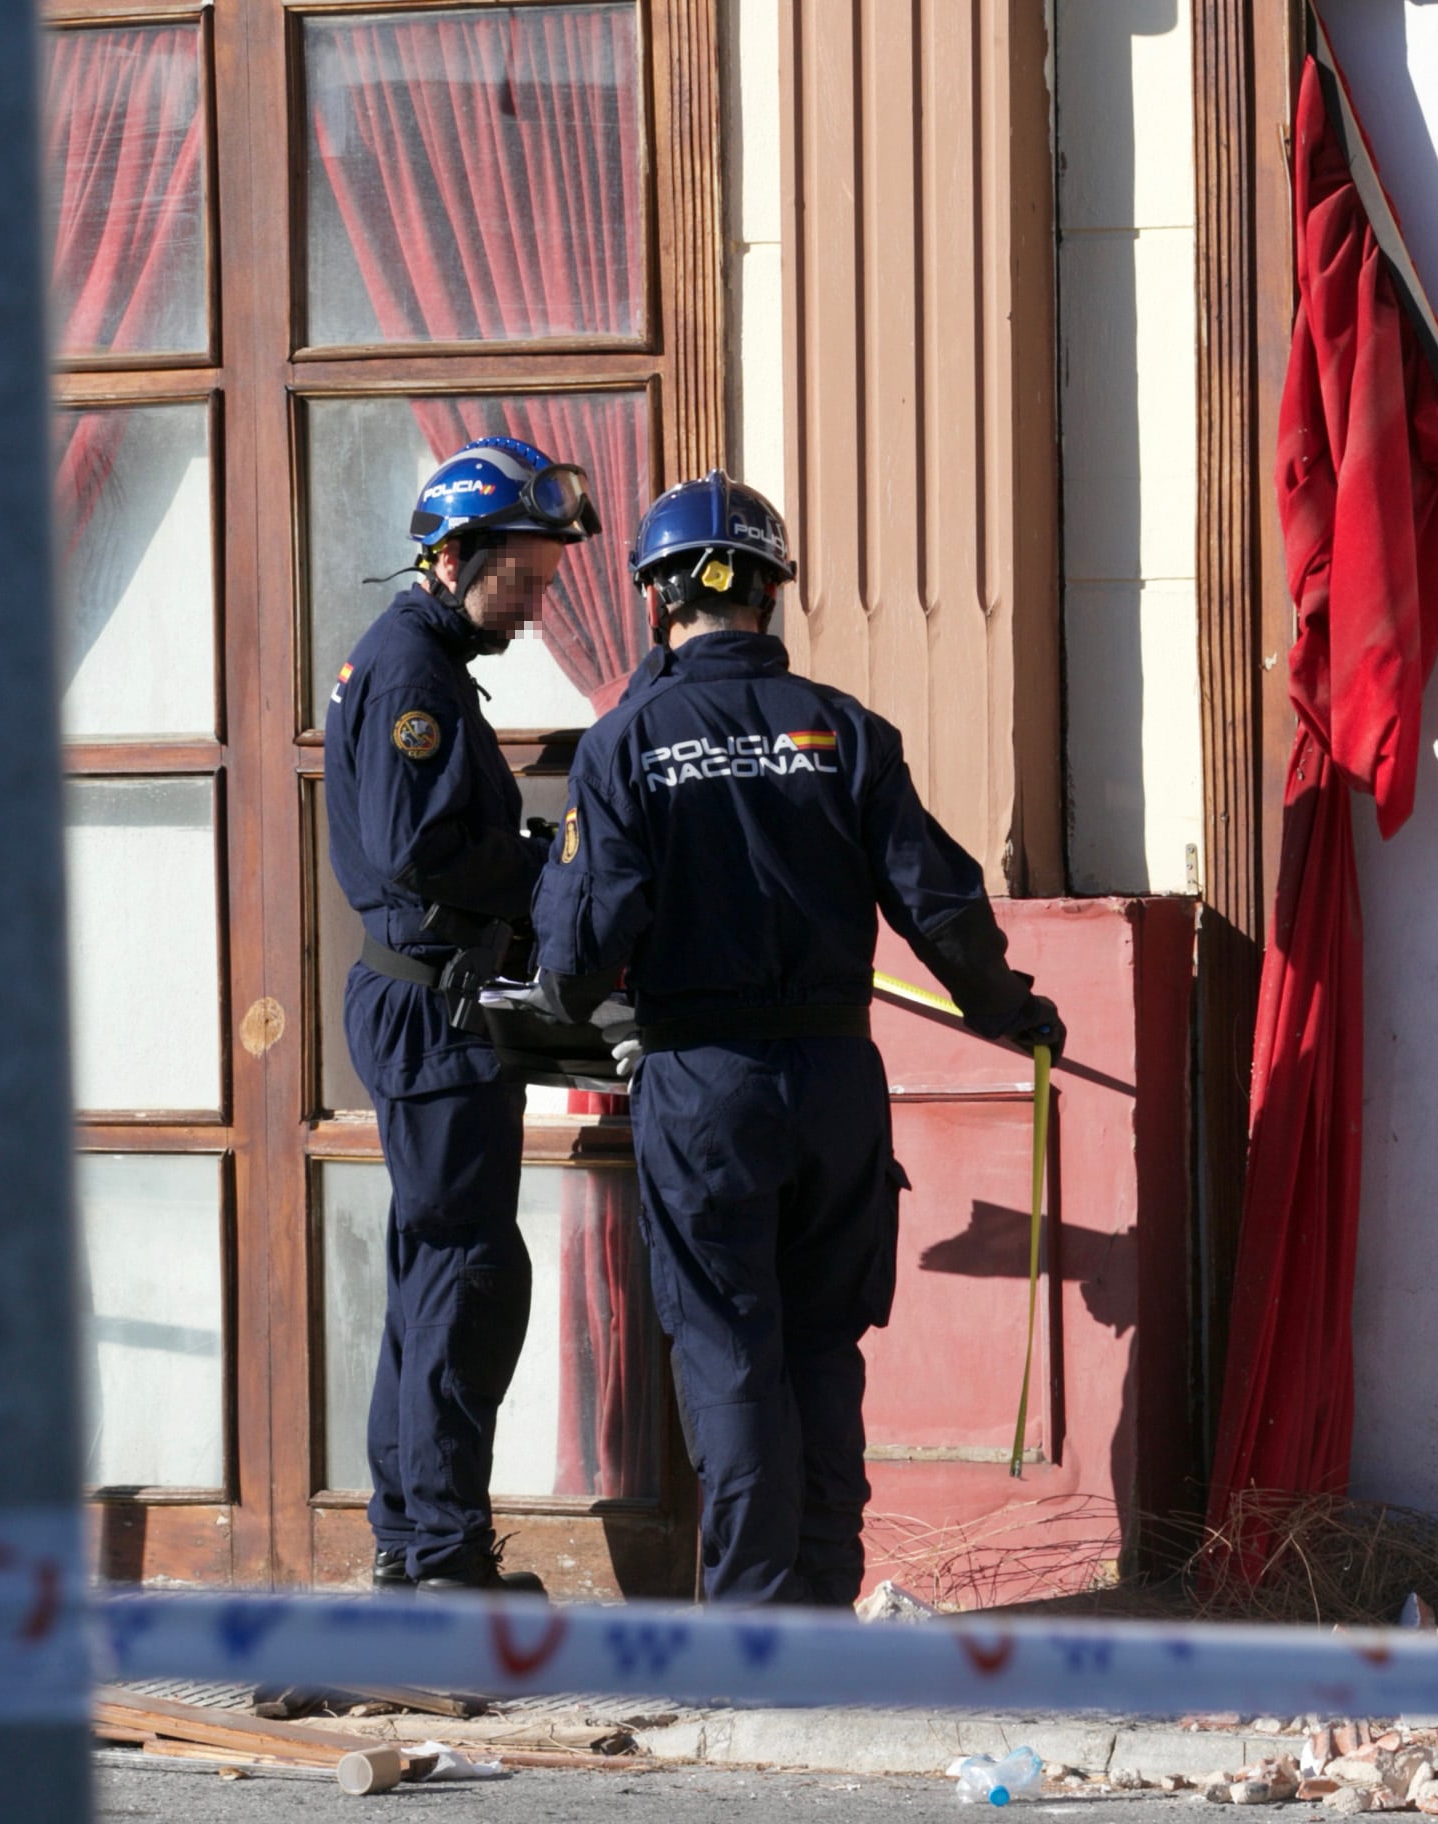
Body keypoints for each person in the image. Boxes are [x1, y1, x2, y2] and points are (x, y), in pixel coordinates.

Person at [525, 472, 1064, 1606]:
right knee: (822, 1345)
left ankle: (754, 1625)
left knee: (726, 1349)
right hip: (834, 1082)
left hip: (701, 1086)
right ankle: (820, 1600)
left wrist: (566, 990)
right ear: (770, 593)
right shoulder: (844, 730)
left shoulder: (626, 741)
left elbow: (578, 950)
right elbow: (941, 906)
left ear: (655, 596)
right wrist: (1010, 1010)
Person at [324, 436, 598, 1591]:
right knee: (465, 1275)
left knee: (437, 1267)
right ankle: (437, 1557)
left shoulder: (426, 660)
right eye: (521, 580)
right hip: (429, 1012)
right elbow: (420, 847)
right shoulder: (411, 675)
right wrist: (556, 876)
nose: (535, 605)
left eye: (546, 583)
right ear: (451, 557)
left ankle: (410, 1542)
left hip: (427, 1004)